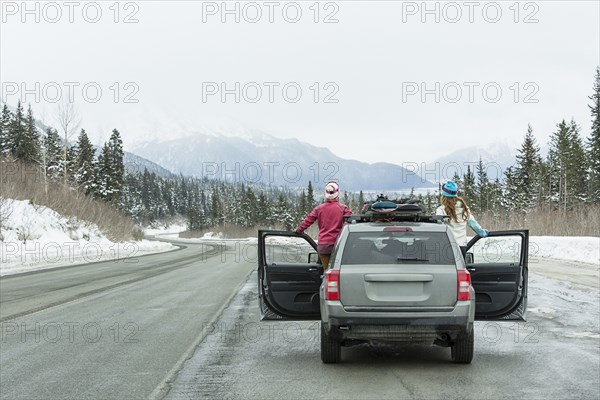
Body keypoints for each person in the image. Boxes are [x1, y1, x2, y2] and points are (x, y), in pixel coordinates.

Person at [295, 181, 352, 270]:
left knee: (327, 272)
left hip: (323, 247)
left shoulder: (319, 209)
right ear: (337, 193)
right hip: (338, 245)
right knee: (337, 272)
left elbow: (307, 221)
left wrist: (298, 230)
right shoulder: (343, 208)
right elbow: (352, 220)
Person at [435, 180, 489, 256]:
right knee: (460, 267)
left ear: (444, 196)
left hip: (446, 246)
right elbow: (473, 224)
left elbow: (437, 225)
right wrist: (482, 233)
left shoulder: (441, 210)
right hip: (461, 246)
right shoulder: (464, 209)